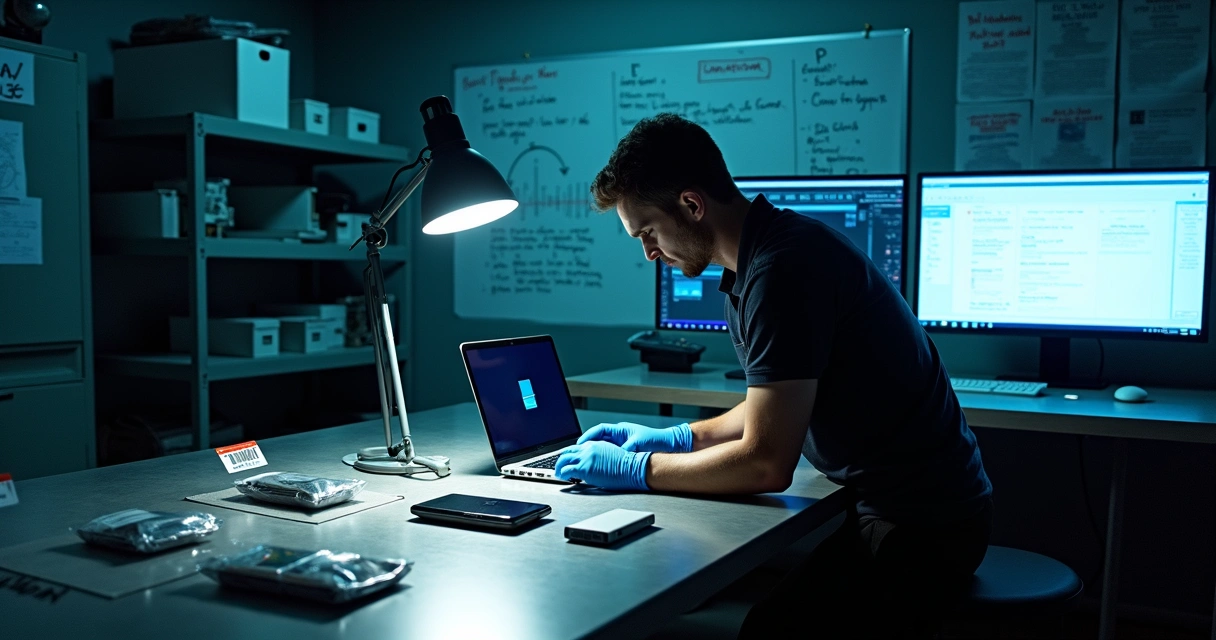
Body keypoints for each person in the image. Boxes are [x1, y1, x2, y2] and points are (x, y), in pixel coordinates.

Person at [553, 113, 993, 637]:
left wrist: (638, 469)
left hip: (926, 526)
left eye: (647, 232)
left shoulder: (783, 271)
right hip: (905, 507)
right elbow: (772, 401)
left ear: (691, 205)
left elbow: (765, 465)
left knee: (769, 630)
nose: (648, 252)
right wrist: (678, 437)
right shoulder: (758, 259)